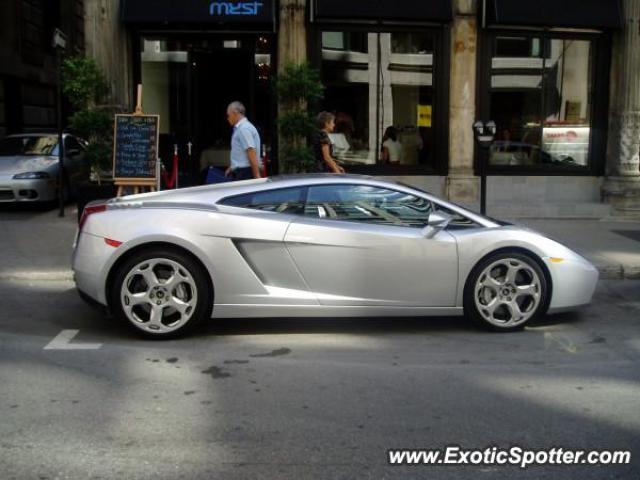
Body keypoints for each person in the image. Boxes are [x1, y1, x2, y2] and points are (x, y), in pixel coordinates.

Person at [225, 101, 261, 180]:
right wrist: (232, 167)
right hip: (243, 171)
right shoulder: (242, 128)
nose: (227, 118)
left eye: (228, 115)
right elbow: (241, 152)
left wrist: (257, 176)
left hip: (245, 173)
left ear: (234, 113)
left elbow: (251, 151)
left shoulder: (243, 128)